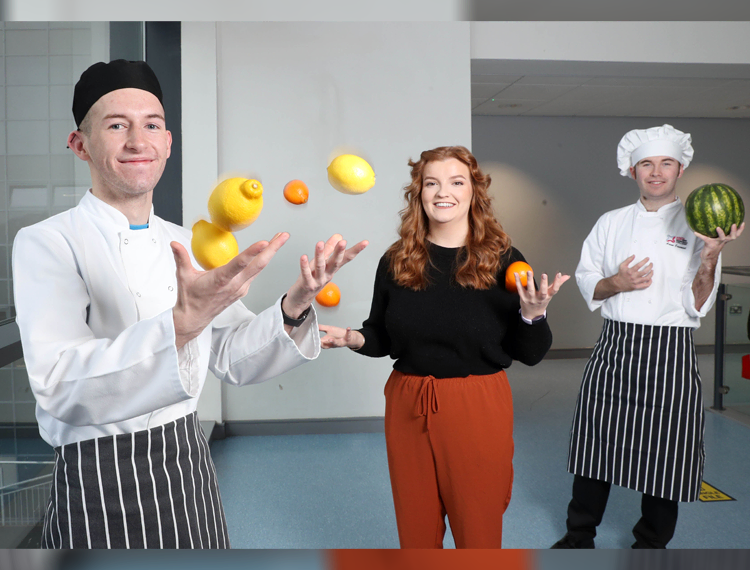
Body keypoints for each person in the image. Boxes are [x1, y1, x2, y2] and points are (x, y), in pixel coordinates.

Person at [11, 59, 367, 549]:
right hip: (98, 472)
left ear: (168, 143)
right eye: (117, 125)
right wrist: (180, 326)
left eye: (151, 125)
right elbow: (58, 385)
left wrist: (296, 303)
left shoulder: (185, 241)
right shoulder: (47, 243)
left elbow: (230, 355)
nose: (138, 140)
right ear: (80, 145)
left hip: (187, 459)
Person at [319, 146, 569, 548]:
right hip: (407, 401)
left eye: (456, 182)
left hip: (477, 402)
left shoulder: (503, 261)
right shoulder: (397, 260)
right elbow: (382, 335)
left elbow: (531, 353)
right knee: (416, 527)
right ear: (418, 193)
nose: (442, 192)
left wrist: (533, 314)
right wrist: (352, 338)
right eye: (431, 183)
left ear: (474, 192)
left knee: (478, 525)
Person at [552, 124, 744, 549]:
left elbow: (698, 304)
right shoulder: (610, 223)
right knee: (594, 443)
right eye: (647, 164)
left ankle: (652, 544)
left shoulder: (700, 226)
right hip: (615, 345)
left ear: (680, 169)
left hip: (671, 349)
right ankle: (578, 535)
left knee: (668, 450)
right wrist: (616, 283)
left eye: (666, 163)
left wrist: (711, 257)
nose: (656, 172)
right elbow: (588, 281)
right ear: (632, 170)